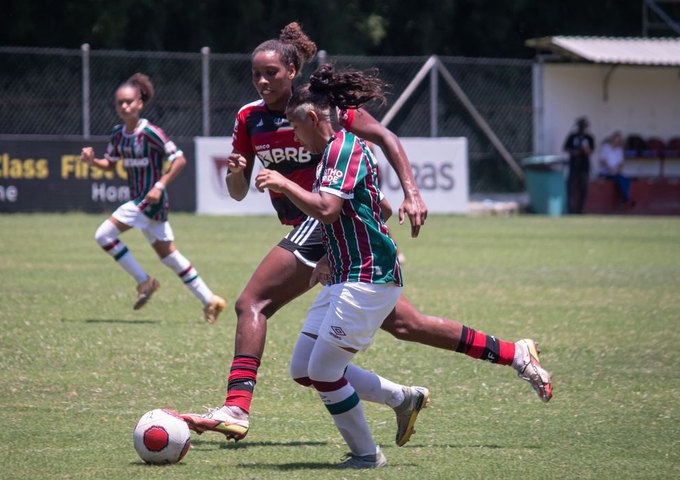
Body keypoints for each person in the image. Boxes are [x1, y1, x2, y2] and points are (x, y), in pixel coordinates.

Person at [182, 22, 552, 443]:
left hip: (323, 221)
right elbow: (236, 192)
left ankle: (236, 406)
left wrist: (411, 193)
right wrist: (236, 173)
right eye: (256, 75)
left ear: (292, 70)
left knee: (253, 301)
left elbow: (386, 138)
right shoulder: (249, 118)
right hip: (325, 231)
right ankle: (500, 359)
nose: (263, 81)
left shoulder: (324, 109)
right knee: (406, 325)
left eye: (272, 73)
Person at [253, 64, 409, 468]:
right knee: (304, 368)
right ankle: (402, 398)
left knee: (324, 371)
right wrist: (326, 257)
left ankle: (366, 456)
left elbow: (326, 209)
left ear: (311, 118)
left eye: (296, 129)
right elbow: (373, 208)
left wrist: (284, 183)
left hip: (367, 278)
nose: (295, 138)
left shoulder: (342, 149)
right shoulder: (331, 155)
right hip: (344, 273)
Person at [80, 73, 226, 322]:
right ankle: (210, 300)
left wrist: (160, 184)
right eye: (120, 103)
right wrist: (92, 160)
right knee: (169, 256)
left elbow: (179, 159)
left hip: (149, 201)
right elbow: (110, 164)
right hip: (143, 202)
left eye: (129, 102)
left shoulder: (151, 133)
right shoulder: (118, 134)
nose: (124, 106)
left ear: (140, 103)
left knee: (103, 235)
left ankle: (144, 281)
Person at [563, 117, 595, 214]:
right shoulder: (572, 137)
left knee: (584, 189)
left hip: (584, 166)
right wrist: (574, 152)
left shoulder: (589, 138)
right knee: (570, 189)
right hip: (574, 165)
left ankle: (580, 210)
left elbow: (591, 151)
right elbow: (565, 148)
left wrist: (585, 150)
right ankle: (570, 211)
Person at [598, 131, 633, 207]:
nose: (617, 142)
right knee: (620, 179)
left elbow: (621, 163)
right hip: (605, 172)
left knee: (626, 179)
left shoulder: (619, 150)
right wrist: (610, 169)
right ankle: (626, 199)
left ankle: (625, 199)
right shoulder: (605, 147)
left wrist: (617, 169)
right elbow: (602, 161)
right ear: (612, 139)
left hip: (616, 172)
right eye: (615, 140)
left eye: (618, 140)